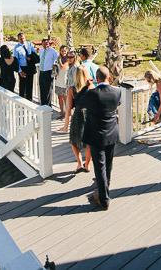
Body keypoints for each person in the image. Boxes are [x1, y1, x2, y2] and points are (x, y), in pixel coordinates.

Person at [79, 66, 121, 211]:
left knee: (100, 167)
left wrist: (86, 87)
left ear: (96, 79)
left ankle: (104, 200)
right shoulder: (117, 92)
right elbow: (116, 104)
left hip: (96, 135)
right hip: (112, 133)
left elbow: (77, 102)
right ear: (108, 78)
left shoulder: (92, 93)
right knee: (108, 164)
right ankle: (105, 188)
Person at [69, 66, 93, 174]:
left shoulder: (71, 89)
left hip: (78, 114)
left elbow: (69, 107)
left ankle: (80, 163)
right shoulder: (91, 88)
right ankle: (87, 165)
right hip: (89, 115)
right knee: (89, 142)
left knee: (74, 141)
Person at [58, 51, 79, 133]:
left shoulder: (75, 67)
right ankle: (66, 127)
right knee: (68, 109)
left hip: (73, 91)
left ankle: (67, 127)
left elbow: (75, 81)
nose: (69, 59)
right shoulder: (71, 66)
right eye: (68, 57)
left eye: (71, 57)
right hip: (69, 89)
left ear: (75, 57)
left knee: (69, 108)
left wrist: (72, 92)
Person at [13, 32, 37, 101]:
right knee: (23, 87)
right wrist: (20, 71)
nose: (22, 40)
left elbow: (34, 54)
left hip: (30, 67)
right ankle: (22, 101)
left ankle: (30, 100)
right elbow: (16, 61)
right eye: (21, 39)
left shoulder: (29, 44)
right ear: (18, 39)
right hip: (22, 68)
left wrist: (30, 58)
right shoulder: (16, 48)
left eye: (23, 38)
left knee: (30, 86)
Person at [38, 38, 59, 106]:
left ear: (49, 44)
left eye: (47, 44)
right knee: (42, 89)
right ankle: (43, 105)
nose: (45, 45)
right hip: (41, 72)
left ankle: (48, 105)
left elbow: (58, 59)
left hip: (48, 72)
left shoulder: (53, 51)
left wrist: (55, 65)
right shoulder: (41, 50)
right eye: (44, 44)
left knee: (48, 90)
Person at [53, 46, 70, 120]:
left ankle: (67, 114)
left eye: (65, 51)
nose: (63, 52)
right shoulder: (58, 59)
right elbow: (58, 67)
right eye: (62, 51)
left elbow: (62, 66)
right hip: (58, 80)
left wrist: (59, 60)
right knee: (59, 97)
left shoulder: (68, 60)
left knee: (65, 98)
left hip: (64, 81)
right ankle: (61, 113)